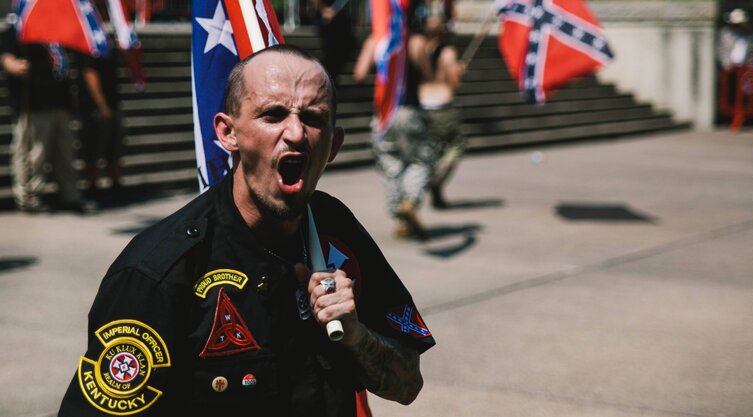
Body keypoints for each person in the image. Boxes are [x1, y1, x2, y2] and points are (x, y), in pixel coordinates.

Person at [57, 45, 434, 416]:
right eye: (273, 115)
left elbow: (407, 383)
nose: (297, 133)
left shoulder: (335, 231)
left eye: (314, 118)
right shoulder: (159, 272)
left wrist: (355, 335)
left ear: (334, 144)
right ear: (227, 133)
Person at [0, 21, 97, 214]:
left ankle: (70, 196)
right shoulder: (18, 27)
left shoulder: (56, 30)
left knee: (66, 154)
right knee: (33, 153)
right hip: (35, 103)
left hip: (61, 102)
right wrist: (13, 65)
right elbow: (6, 56)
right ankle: (29, 197)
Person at [353, 15, 434, 240]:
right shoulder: (416, 41)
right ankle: (410, 201)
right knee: (420, 161)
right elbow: (428, 76)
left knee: (391, 166)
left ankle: (399, 218)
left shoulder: (376, 40)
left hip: (383, 114)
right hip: (409, 110)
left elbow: (359, 73)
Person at [413, 3, 466, 209]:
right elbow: (454, 81)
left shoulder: (420, 48)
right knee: (456, 145)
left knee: (433, 149)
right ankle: (436, 179)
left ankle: (437, 190)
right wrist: (460, 70)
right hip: (443, 105)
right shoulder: (448, 52)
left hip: (423, 104)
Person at [78, 46, 126, 194]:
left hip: (112, 102)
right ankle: (93, 186)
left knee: (114, 147)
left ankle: (116, 185)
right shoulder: (89, 43)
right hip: (95, 108)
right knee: (93, 148)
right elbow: (89, 73)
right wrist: (102, 105)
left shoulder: (107, 42)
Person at [309, 0, 355, 87]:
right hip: (326, 18)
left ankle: (331, 78)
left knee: (347, 45)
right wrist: (323, 9)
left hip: (339, 17)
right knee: (331, 49)